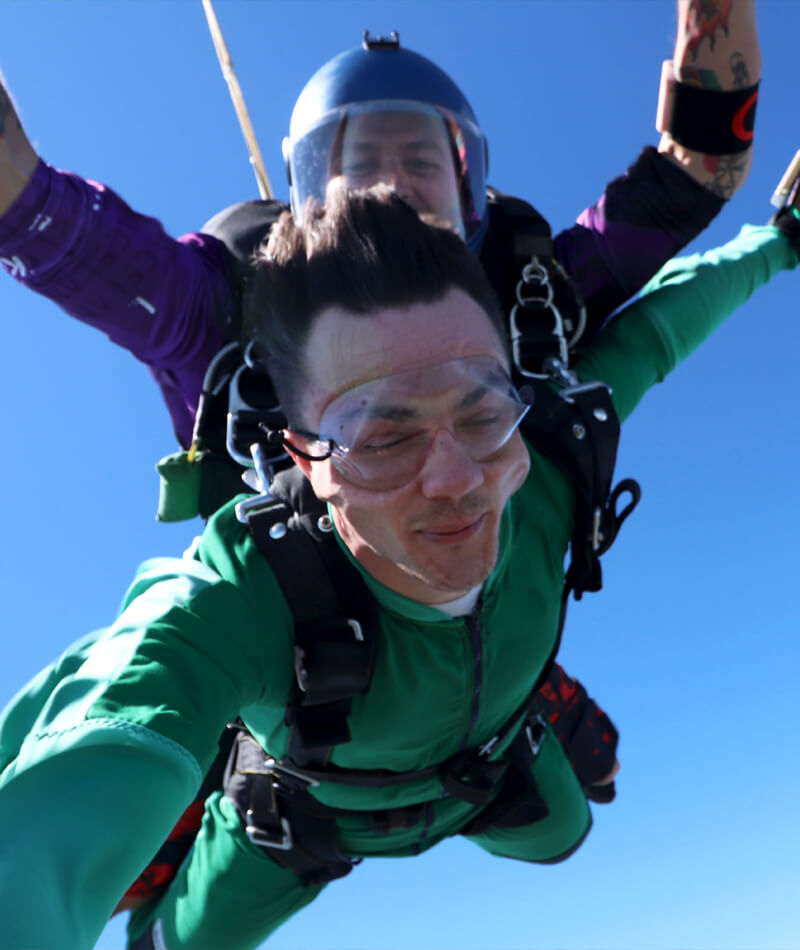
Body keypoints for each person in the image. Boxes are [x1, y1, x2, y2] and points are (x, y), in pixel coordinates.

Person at [1, 184, 798, 950]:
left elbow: (661, 331)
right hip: (296, 823)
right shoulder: (254, 586)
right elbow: (120, 706)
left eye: (482, 412)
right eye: (382, 437)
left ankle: (525, 688)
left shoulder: (551, 453)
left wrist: (783, 240)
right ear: (306, 460)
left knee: (566, 836)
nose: (456, 479)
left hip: (493, 766)